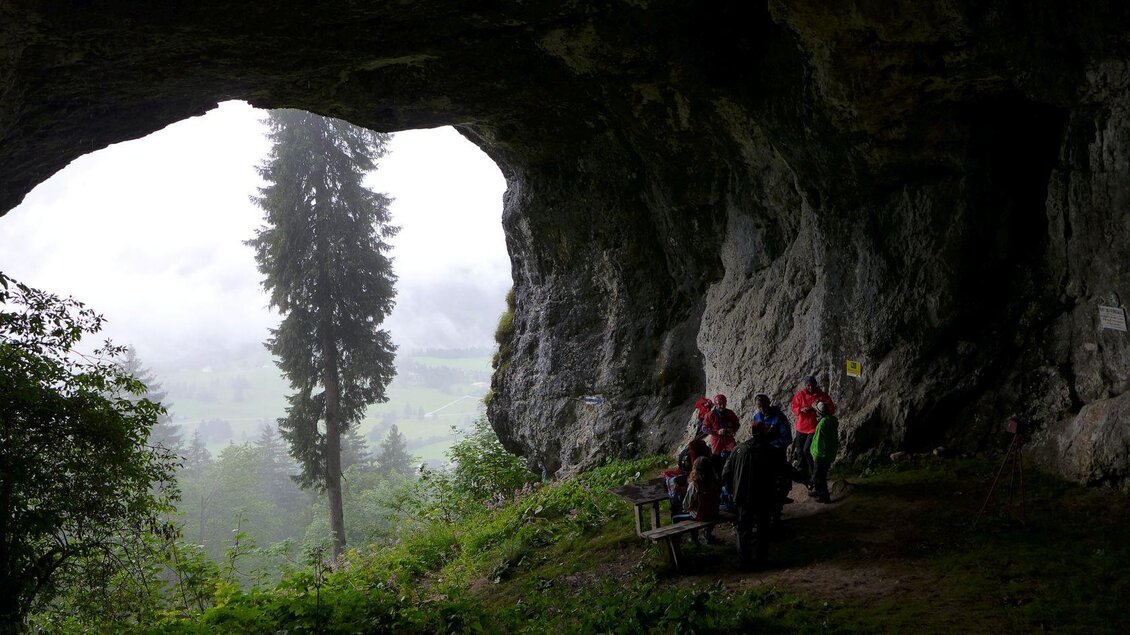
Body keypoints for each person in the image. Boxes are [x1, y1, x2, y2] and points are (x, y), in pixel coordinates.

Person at [722, 419, 778, 569]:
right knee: (763, 529)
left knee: (744, 530)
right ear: (764, 432)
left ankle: (744, 562)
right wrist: (803, 478)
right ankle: (762, 559)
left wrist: (730, 491)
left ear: (749, 432)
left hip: (742, 497)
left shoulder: (739, 449)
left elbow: (726, 472)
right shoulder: (770, 450)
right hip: (763, 497)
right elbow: (784, 469)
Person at [752, 393, 794, 527]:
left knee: (780, 484)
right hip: (762, 457)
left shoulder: (779, 417)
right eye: (759, 406)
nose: (762, 409)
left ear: (768, 404)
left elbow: (787, 438)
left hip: (776, 455)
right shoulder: (757, 416)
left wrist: (772, 445)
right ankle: (765, 514)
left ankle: (776, 513)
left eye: (763, 406)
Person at [790, 375, 836, 488]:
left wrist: (818, 409)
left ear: (815, 384)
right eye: (808, 385)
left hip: (813, 427)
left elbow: (831, 408)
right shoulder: (800, 394)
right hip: (801, 427)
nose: (810, 387)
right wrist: (801, 409)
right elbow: (794, 406)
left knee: (807, 450)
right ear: (805, 385)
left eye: (812, 385)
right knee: (800, 452)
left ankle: (813, 475)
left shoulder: (822, 395)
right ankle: (803, 476)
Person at [674, 456, 723, 544]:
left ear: (695, 468)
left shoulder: (694, 484)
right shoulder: (715, 481)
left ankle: (691, 540)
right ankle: (707, 535)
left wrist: (679, 495)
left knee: (676, 517)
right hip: (714, 513)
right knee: (696, 511)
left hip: (701, 515)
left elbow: (686, 504)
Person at [810, 400, 839, 503]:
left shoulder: (822, 424)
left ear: (819, 413)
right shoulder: (831, 420)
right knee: (820, 474)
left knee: (819, 476)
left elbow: (818, 441)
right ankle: (819, 491)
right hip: (828, 454)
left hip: (821, 455)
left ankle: (824, 496)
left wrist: (815, 454)